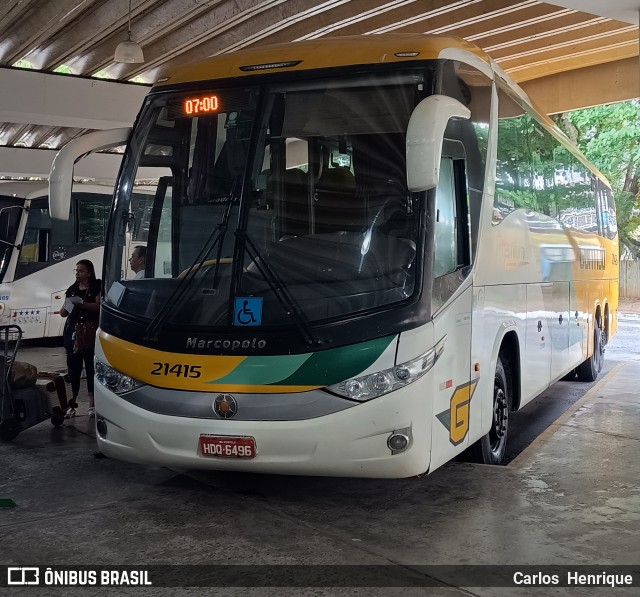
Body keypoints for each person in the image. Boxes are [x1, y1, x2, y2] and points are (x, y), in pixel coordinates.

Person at [60, 259, 101, 419]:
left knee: (91, 368)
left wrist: (82, 304)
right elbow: (63, 313)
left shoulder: (96, 286)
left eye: (81, 271)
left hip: (90, 332)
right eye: (76, 271)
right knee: (73, 370)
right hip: (73, 333)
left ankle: (92, 405)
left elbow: (99, 306)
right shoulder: (71, 290)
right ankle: (72, 404)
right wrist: (68, 305)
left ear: (89, 273)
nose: (77, 273)